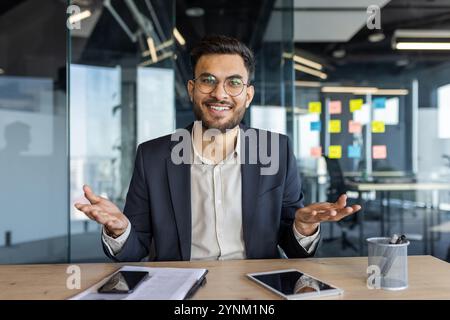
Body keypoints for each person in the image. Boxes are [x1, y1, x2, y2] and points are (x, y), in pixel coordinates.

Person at [75, 35, 361, 262]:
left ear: (248, 95)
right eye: (207, 80)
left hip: (256, 289)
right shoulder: (153, 156)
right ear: (191, 89)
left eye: (233, 83)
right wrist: (120, 229)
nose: (220, 93)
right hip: (181, 291)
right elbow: (135, 249)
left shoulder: (276, 150)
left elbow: (294, 248)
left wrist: (303, 228)